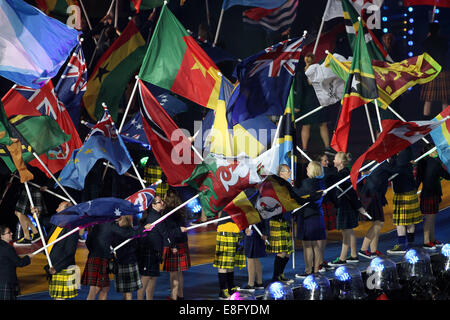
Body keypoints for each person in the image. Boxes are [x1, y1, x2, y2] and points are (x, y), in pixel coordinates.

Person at [81, 215, 152, 300]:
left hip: (94, 258)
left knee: (104, 289)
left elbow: (88, 242)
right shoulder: (111, 225)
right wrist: (144, 228)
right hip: (101, 259)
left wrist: (96, 252)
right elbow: (128, 234)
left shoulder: (99, 224)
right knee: (95, 289)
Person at [328, 152, 368, 266]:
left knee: (347, 232)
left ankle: (342, 258)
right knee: (349, 232)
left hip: (347, 206)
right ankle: (354, 255)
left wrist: (358, 206)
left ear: (340, 162)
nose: (333, 161)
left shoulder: (343, 174)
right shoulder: (343, 173)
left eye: (335, 159)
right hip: (346, 206)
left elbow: (351, 193)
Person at [387, 146, 423, 255]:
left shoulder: (403, 154)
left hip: (402, 193)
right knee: (410, 221)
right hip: (410, 191)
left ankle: (402, 245)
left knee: (400, 221)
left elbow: (396, 169)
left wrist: (388, 161)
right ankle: (411, 243)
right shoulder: (406, 152)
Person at [294, 161, 326, 278]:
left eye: (308, 167)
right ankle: (316, 270)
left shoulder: (307, 183)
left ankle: (308, 271)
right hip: (317, 215)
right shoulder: (320, 183)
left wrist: (291, 186)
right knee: (315, 245)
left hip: (308, 216)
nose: (306, 168)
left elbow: (297, 194)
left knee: (307, 245)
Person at [294, 53, 331, 155]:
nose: (308, 59)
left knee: (315, 125)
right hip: (313, 101)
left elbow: (300, 91)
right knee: (314, 125)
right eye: (308, 57)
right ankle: (321, 148)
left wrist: (297, 105)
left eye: (309, 57)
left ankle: (322, 148)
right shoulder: (307, 73)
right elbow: (300, 90)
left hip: (313, 101)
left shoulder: (311, 72)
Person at [415, 144, 450, 250]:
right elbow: (446, 175)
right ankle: (426, 242)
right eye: (435, 150)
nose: (437, 152)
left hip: (430, 193)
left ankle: (432, 239)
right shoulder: (434, 162)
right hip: (430, 194)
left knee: (431, 218)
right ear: (429, 152)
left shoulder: (425, 163)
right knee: (429, 219)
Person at [357, 161, 394, 258]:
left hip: (372, 194)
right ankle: (363, 249)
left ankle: (373, 250)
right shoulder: (382, 163)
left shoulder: (372, 162)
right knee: (379, 222)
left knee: (376, 222)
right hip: (373, 195)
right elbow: (395, 170)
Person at [43, 201, 80, 300]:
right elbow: (43, 222)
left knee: (60, 299)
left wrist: (57, 268)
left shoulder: (72, 228)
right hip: (53, 266)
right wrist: (36, 214)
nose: (56, 209)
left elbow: (70, 252)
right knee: (57, 298)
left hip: (62, 268)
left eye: (59, 207)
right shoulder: (57, 223)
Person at [137, 196, 170, 300]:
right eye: (160, 202)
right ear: (153, 205)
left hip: (155, 251)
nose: (162, 203)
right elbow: (164, 233)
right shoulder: (154, 217)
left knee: (152, 278)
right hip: (149, 251)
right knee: (146, 278)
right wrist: (172, 244)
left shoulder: (156, 215)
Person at [265, 164, 294, 284]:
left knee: (287, 253)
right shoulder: (275, 187)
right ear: (281, 174)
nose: (290, 174)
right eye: (288, 172)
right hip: (276, 221)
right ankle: (275, 278)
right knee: (281, 252)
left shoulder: (286, 186)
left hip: (285, 221)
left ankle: (280, 275)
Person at [161, 188, 189, 300]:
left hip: (174, 244)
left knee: (173, 274)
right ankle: (180, 295)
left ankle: (173, 297)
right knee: (179, 273)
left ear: (168, 197)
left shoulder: (168, 211)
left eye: (164, 195)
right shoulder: (180, 209)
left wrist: (172, 245)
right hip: (182, 242)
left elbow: (170, 231)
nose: (163, 196)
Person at [213, 210, 246, 300]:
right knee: (223, 264)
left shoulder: (242, 198)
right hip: (225, 230)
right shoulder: (228, 197)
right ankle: (223, 290)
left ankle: (230, 287)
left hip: (236, 231)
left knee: (231, 263)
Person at [420, 22, 449, 119]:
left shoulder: (425, 42)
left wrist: (428, 38)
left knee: (428, 99)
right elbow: (445, 50)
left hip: (431, 71)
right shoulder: (444, 41)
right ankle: (446, 122)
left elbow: (424, 55)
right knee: (444, 99)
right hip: (442, 70)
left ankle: (425, 123)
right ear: (439, 30)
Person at [111, 216, 143, 300]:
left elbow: (136, 245)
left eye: (119, 218)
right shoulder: (127, 230)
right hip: (123, 261)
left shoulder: (124, 230)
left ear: (123, 219)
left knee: (128, 291)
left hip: (127, 261)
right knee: (126, 291)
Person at [0, 224, 32, 300]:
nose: (12, 233)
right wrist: (29, 257)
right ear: (1, 235)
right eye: (9, 232)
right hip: (6, 282)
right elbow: (19, 263)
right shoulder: (7, 248)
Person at [317, 153, 337, 271]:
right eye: (324, 161)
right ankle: (318, 262)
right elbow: (330, 173)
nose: (327, 162)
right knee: (320, 236)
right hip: (321, 205)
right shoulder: (320, 174)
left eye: (327, 160)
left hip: (328, 204)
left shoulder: (327, 172)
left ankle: (321, 260)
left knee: (324, 235)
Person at [241, 220, 267, 292]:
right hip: (259, 231)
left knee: (250, 258)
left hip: (251, 232)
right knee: (255, 258)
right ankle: (259, 282)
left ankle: (251, 284)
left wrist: (243, 229)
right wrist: (265, 232)